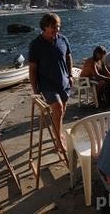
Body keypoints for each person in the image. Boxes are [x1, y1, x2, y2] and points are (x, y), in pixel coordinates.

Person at [29, 13, 73, 151]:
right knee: (58, 108)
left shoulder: (63, 40)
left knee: (62, 110)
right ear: (45, 27)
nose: (57, 29)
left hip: (63, 82)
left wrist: (70, 75)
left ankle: (57, 132)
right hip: (47, 85)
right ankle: (58, 141)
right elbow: (32, 69)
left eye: (58, 26)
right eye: (54, 27)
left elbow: (68, 57)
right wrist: (36, 91)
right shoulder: (36, 45)